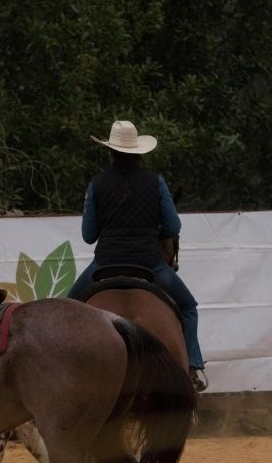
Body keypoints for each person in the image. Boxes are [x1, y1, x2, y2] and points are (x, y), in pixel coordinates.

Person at [67, 120, 207, 391]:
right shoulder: (156, 182)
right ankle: (193, 366)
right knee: (188, 307)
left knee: (66, 309)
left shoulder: (97, 185)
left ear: (111, 150)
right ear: (138, 151)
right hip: (150, 265)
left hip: (104, 264)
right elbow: (173, 226)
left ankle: (65, 374)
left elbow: (88, 235)